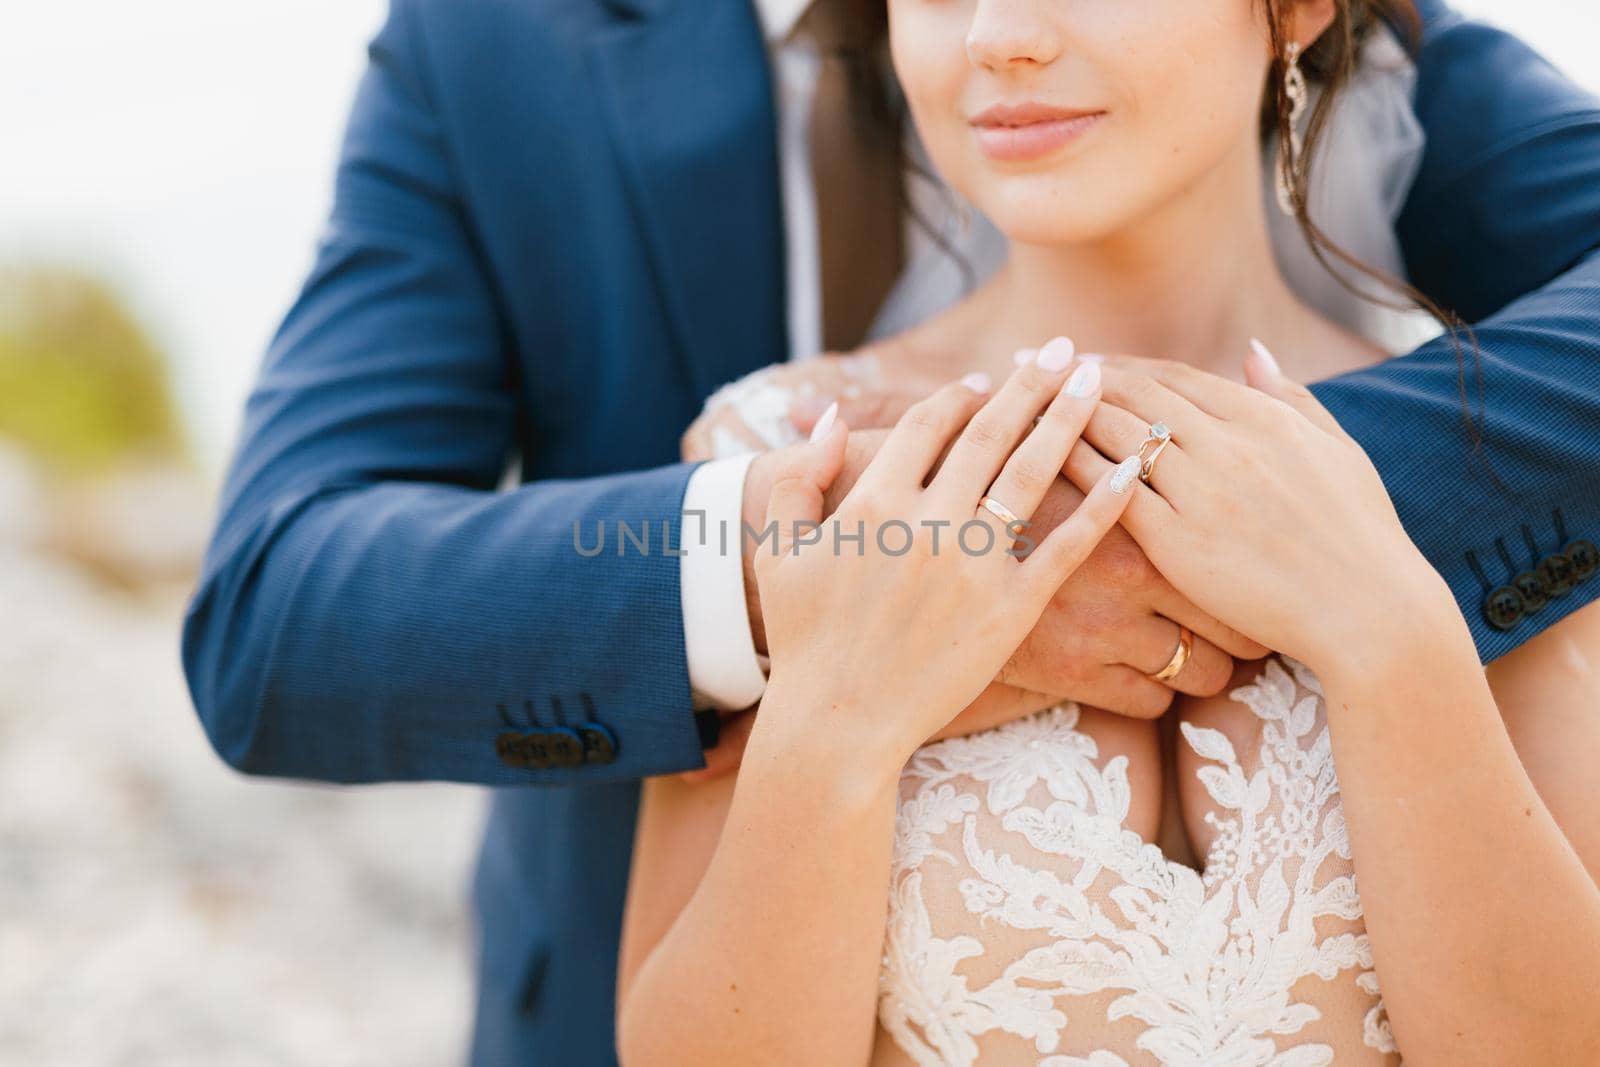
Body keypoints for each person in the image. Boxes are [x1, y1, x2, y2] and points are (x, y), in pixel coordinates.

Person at [178, 0, 1600, 1062]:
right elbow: (277, 607)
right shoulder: (782, 439)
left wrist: (1373, 607)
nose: (998, 36)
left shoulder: (1488, 457)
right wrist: (822, 637)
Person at [614, 2, 1600, 1062]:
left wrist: (1389, 636)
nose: (997, 34)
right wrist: (838, 718)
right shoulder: (784, 461)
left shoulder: (1489, 448)